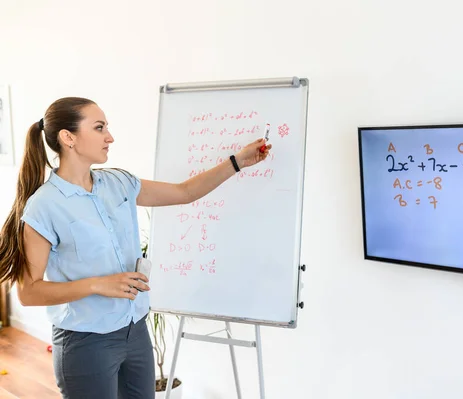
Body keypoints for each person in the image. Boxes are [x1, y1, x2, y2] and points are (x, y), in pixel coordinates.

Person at [0, 97, 272, 398]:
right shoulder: (44, 206)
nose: (110, 137)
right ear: (68, 138)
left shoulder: (119, 182)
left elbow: (184, 192)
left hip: (135, 332)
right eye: (99, 127)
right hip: (85, 343)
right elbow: (28, 292)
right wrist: (97, 285)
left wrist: (237, 162)